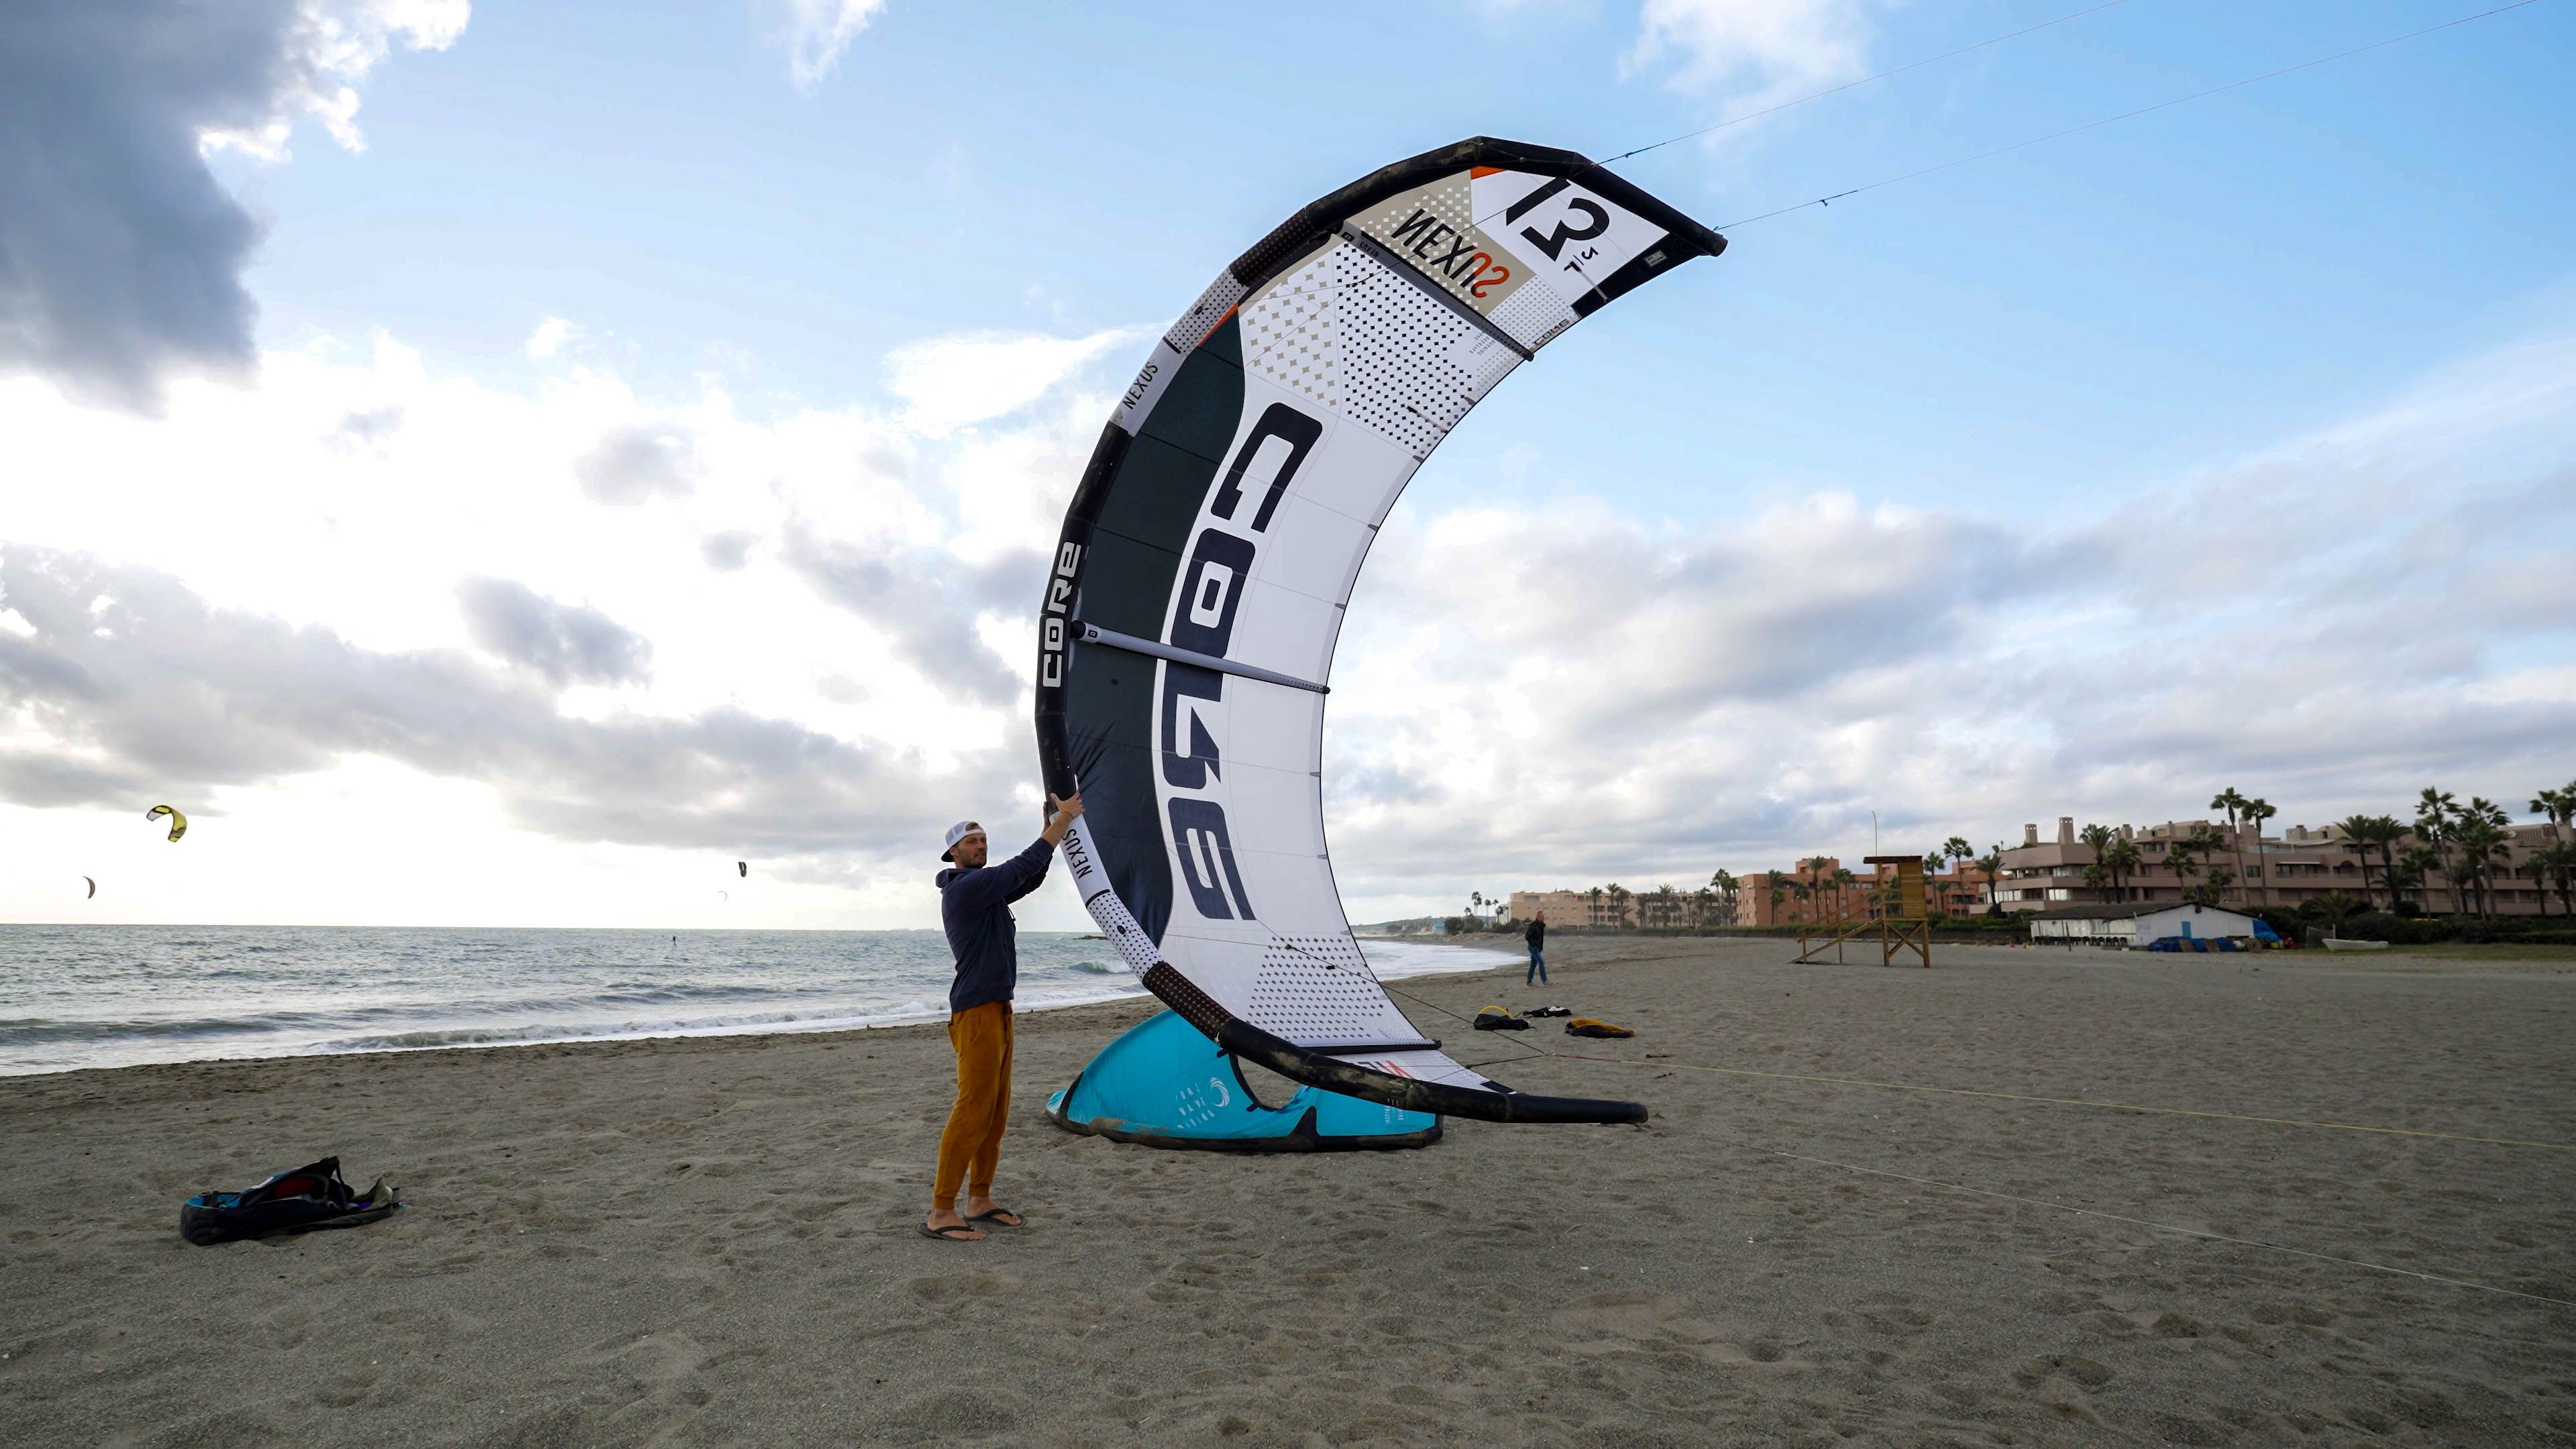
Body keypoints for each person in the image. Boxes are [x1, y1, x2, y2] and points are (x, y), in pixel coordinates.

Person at [920, 792, 1083, 1243]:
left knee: (996, 1112)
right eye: (972, 842)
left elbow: (1030, 874)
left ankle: (979, 1199)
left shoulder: (987, 891)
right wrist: (1063, 820)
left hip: (999, 1007)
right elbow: (1019, 867)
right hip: (974, 1011)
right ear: (953, 853)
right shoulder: (965, 888)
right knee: (973, 1108)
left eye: (983, 839)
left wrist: (1051, 822)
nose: (980, 845)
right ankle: (940, 1210)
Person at [1525, 910, 1547, 986]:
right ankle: (1545, 980)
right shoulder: (1533, 925)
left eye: (1544, 917)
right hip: (1533, 947)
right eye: (1542, 917)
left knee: (1533, 965)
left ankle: (1529, 981)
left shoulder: (1541, 926)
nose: (1544, 918)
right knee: (1541, 962)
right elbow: (1527, 937)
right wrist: (1534, 944)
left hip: (1538, 948)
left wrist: (1540, 947)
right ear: (1538, 917)